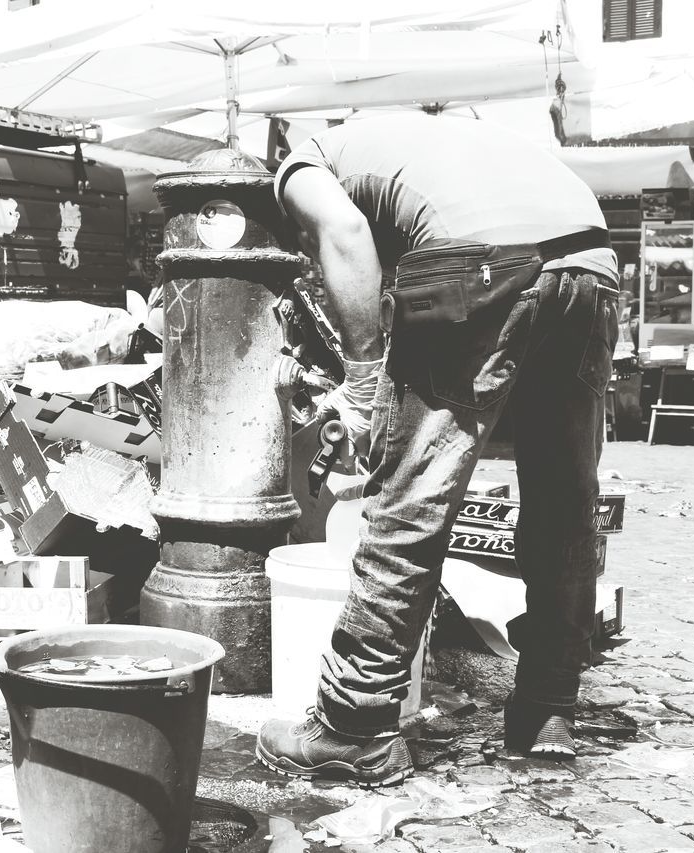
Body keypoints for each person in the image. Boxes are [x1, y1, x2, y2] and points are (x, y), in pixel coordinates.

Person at [255, 114, 620, 788]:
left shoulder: (300, 164)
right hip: (592, 259)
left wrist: (364, 379)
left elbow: (342, 232)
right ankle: (548, 709)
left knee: (411, 497)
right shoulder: (427, 139)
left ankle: (352, 725)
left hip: (485, 257)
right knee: (565, 499)